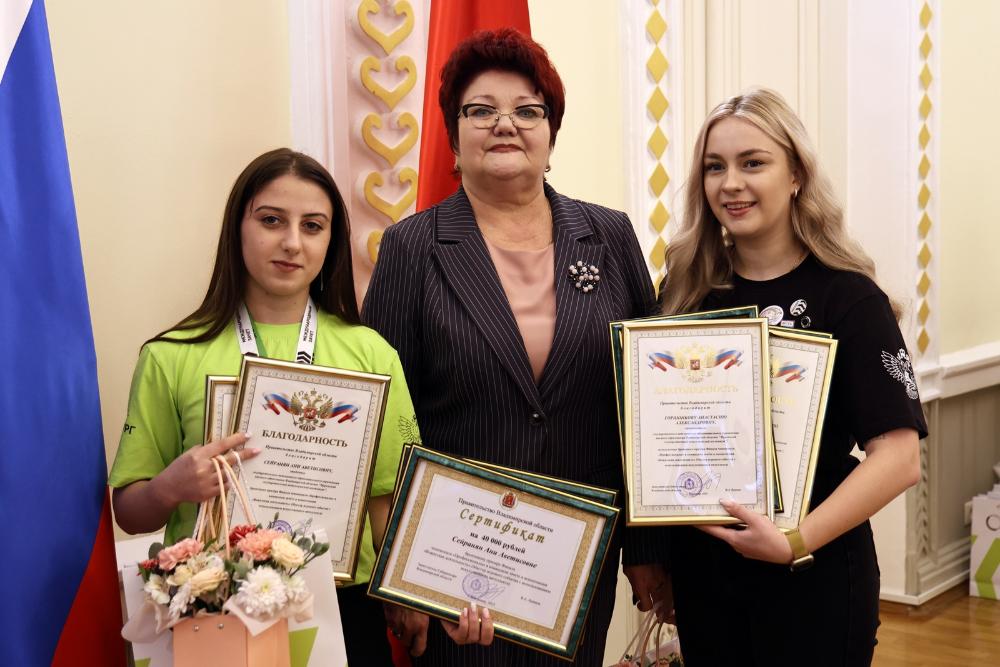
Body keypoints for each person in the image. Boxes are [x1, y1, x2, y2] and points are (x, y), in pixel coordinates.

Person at [363, 28, 670, 666]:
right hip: (453, 568)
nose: (505, 124)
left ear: (551, 134)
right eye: (481, 110)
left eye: (527, 111)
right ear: (454, 137)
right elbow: (384, 424)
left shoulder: (610, 236)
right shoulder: (412, 248)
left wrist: (646, 549)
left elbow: (646, 407)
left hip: (580, 557)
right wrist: (399, 572)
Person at [108, 148, 420, 664]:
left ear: (331, 241)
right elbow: (129, 511)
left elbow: (389, 498)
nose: (292, 242)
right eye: (271, 220)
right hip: (212, 606)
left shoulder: (371, 355)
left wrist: (409, 600)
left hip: (343, 607)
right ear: (238, 228)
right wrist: (171, 487)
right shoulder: (171, 355)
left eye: (312, 226)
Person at [658, 88, 927, 666]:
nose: (731, 184)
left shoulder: (849, 298)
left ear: (797, 174)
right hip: (705, 575)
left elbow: (900, 458)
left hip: (815, 572)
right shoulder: (685, 293)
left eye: (753, 163)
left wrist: (792, 543)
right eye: (714, 167)